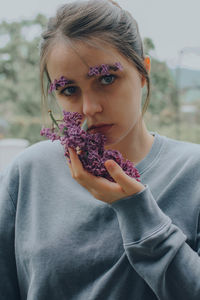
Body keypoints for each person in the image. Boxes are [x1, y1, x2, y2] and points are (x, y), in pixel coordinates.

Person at [0, 0, 200, 299]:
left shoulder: (193, 173)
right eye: (69, 90)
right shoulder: (28, 173)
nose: (90, 107)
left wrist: (136, 210)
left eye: (107, 79)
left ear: (143, 72)